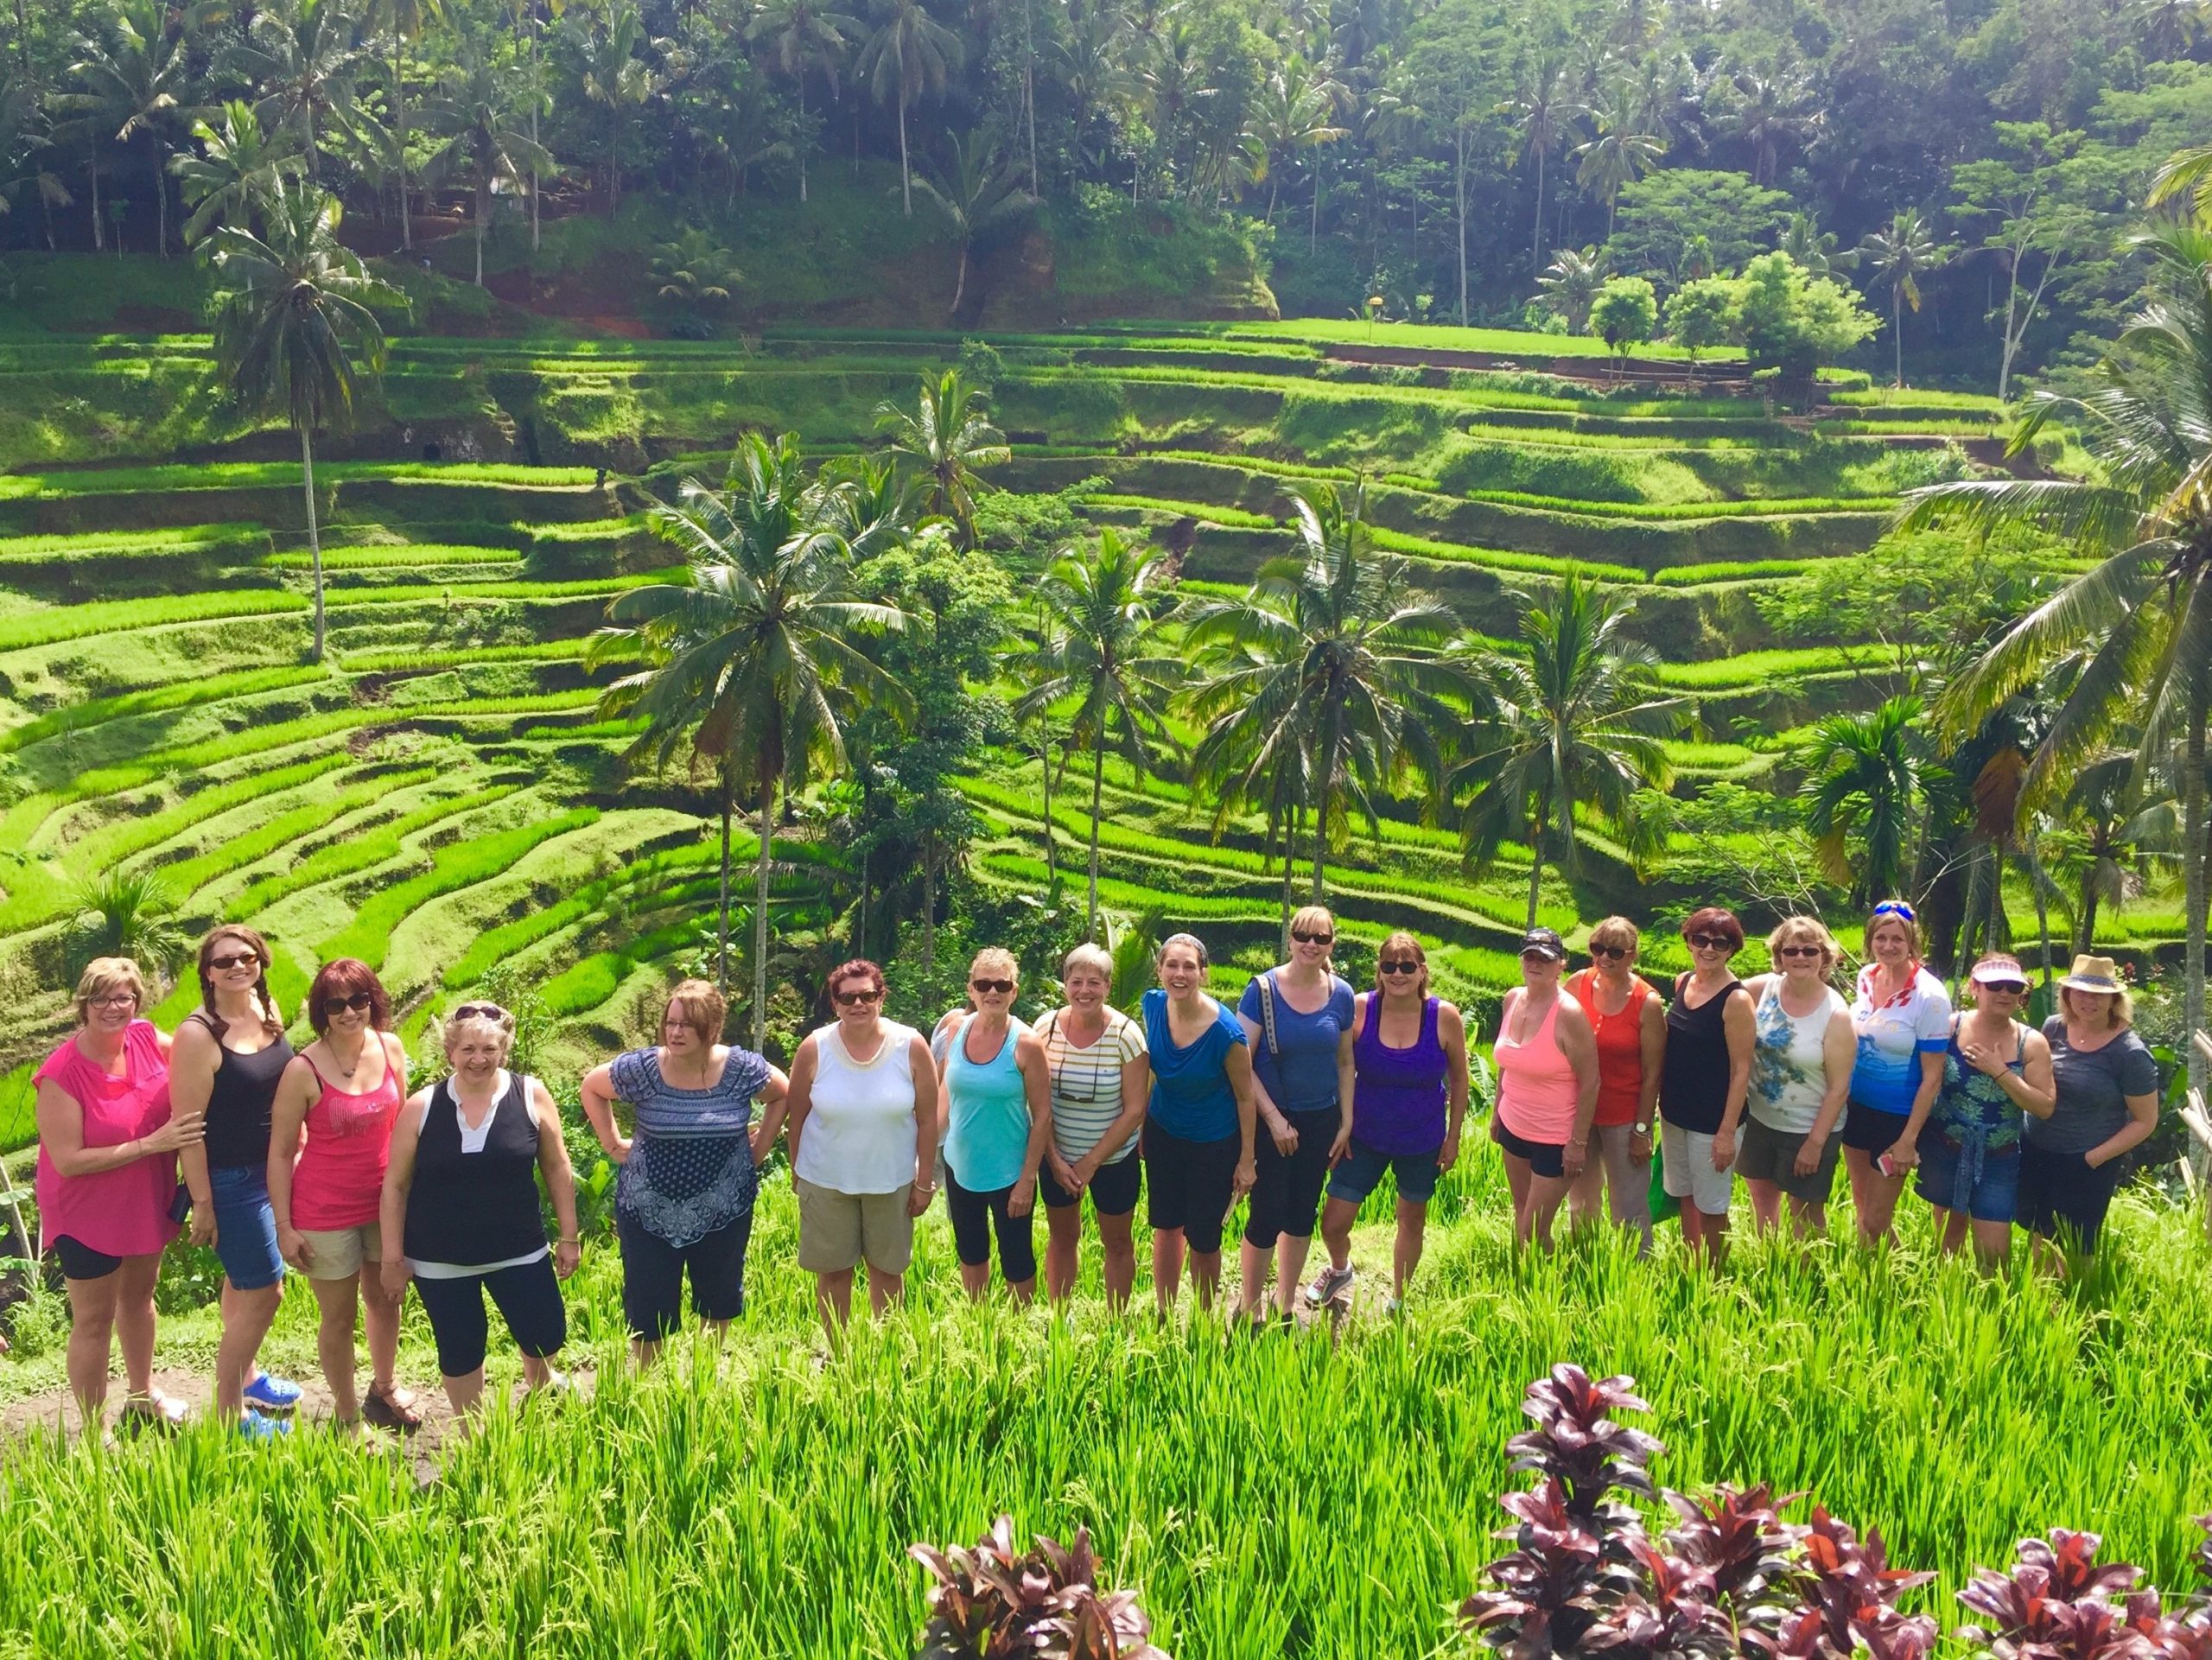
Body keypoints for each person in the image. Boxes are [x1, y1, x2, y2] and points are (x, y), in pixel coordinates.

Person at [382, 1003, 581, 1414]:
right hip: (440, 1258)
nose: (479, 1059)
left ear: (503, 1049)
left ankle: (542, 1386)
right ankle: (473, 1432)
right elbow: (395, 1186)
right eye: (468, 1049)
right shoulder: (422, 1106)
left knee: (544, 1329)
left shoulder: (530, 1094)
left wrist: (569, 1234)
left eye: (489, 1049)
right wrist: (391, 1257)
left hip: (520, 1247)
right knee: (460, 1347)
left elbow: (558, 1166)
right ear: (450, 1051)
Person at [579, 980, 786, 1363]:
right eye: (671, 1023)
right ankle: (647, 1384)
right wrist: (611, 1144)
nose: (676, 1032)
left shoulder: (740, 1069)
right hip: (648, 1210)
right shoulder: (644, 1068)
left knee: (718, 1295)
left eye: (688, 1025)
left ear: (713, 1028)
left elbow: (781, 1093)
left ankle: (703, 1382)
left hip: (723, 1206)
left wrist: (758, 1151)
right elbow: (592, 1086)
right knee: (648, 1302)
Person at [33, 958, 199, 1434]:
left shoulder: (147, 1038)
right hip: (85, 1212)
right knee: (93, 1318)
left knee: (140, 1298)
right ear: (83, 1005)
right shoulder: (63, 1073)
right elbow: (68, 1160)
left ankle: (143, 1396)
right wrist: (153, 1144)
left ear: (137, 1002)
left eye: (123, 997)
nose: (113, 1007)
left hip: (144, 1196)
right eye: (101, 998)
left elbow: (195, 1061)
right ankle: (93, 1428)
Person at [270, 958, 416, 1432]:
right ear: (322, 1012)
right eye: (336, 1004)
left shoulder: (390, 1046)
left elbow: (404, 1129)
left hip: (386, 1202)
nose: (350, 1012)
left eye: (359, 1000)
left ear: (373, 1001)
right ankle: (348, 1413)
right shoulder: (302, 1069)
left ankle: (385, 1387)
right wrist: (284, 1227)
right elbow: (280, 1153)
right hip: (324, 1210)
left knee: (385, 1298)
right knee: (338, 1317)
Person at [170, 925, 303, 1436]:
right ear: (208, 973)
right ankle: (229, 1413)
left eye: (247, 958)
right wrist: (202, 1202)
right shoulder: (198, 1035)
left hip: (274, 1170)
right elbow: (189, 1129)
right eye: (224, 962)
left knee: (241, 1281)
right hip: (230, 1180)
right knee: (265, 1292)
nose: (237, 967)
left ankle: (247, 1377)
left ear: (261, 962)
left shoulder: (266, 1012)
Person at [1309, 933, 1470, 1313]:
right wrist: (1342, 1123)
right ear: (1379, 970)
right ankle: (1339, 1268)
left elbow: (1460, 1079)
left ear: (1422, 971)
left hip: (1422, 1138)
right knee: (1333, 1222)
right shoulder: (1363, 1009)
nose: (1398, 973)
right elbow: (1342, 1067)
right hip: (1364, 1135)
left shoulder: (1444, 1016)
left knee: (1411, 1220)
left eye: (1407, 966)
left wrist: (1454, 1137)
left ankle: (1399, 1295)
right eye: (1389, 966)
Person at [783, 960, 939, 1331]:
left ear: (881, 998)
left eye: (867, 995)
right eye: (847, 997)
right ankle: (838, 1355)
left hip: (893, 1181)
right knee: (834, 1272)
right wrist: (796, 1172)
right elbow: (797, 1117)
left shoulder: (910, 1045)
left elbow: (928, 1119)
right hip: (826, 1181)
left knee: (888, 1271)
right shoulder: (815, 1048)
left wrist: (924, 1181)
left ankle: (885, 1350)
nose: (858, 1004)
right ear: (834, 1003)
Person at [1234, 906, 1357, 1326]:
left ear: (1331, 944)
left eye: (1321, 938)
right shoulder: (1262, 990)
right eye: (1303, 935)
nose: (1311, 944)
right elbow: (1240, 1063)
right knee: (1266, 1213)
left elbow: (1344, 1061)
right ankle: (1250, 1307)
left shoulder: (1340, 993)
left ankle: (1285, 1304)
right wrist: (1273, 1119)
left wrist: (1346, 1121)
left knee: (1302, 1211)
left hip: (1320, 1118)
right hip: (1274, 1120)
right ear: (1290, 940)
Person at [1141, 933, 1259, 1317]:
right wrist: (1142, 1124)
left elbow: (1245, 1097)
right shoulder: (1153, 1006)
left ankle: (1205, 1317)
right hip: (1163, 1132)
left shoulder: (1226, 1033)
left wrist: (1246, 1160)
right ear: (1159, 971)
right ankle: (1164, 1311)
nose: (1179, 973)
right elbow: (1149, 1075)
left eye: (1189, 966)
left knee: (1205, 1238)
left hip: (1213, 1143)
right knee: (1166, 1226)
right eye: (1171, 965)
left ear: (1203, 974)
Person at [2018, 955, 2159, 1269]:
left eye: (2099, 994)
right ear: (2068, 995)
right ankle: (2042, 1305)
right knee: (2039, 1232)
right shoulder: (2054, 1027)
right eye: (2080, 992)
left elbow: (2145, 1121)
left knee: (2078, 1244)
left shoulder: (2130, 1053)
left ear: (2114, 1000)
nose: (2088, 1000)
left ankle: (2079, 1305)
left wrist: (2094, 1157)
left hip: (2087, 1160)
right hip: (2038, 1149)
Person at [1916, 954, 2055, 1270]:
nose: (2004, 993)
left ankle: (1993, 1313)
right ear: (1974, 988)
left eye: (2012, 987)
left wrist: (2000, 1072)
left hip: (1998, 1157)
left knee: (1993, 1258)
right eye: (1994, 986)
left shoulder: (2031, 1043)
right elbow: (1928, 1080)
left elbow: (2044, 1107)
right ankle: (1946, 1308)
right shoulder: (1951, 1026)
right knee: (1947, 1245)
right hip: (1946, 1148)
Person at [1034, 944, 1149, 1306]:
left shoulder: (1127, 1036)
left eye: (1094, 982)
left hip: (1113, 1159)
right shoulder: (1045, 1028)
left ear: (1108, 987)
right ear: (1065, 983)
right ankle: (1059, 1318)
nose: (1085, 990)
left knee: (1117, 1242)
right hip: (1058, 1159)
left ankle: (1116, 1320)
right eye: (1077, 981)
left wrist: (1091, 1161)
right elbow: (1035, 1102)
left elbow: (1134, 1110)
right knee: (1062, 1238)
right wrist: (1055, 1160)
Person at [937, 949, 1052, 1304]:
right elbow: (944, 1095)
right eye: (984, 984)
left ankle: (1021, 1331)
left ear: (1014, 991)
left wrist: (1027, 1180)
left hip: (1008, 1172)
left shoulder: (1027, 1044)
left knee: (1016, 1258)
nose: (992, 993)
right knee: (970, 1251)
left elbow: (1043, 1114)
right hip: (961, 1166)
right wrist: (924, 1158)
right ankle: (978, 1324)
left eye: (1001, 985)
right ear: (970, 989)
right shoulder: (956, 1029)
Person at [1734, 916, 1853, 1239]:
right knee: (1762, 1199)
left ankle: (1807, 1280)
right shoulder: (1763, 989)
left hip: (1808, 1128)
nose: (1801, 957)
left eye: (1810, 951)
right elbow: (1719, 991)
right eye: (1792, 950)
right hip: (1760, 1119)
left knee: (1805, 1210)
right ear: (1779, 956)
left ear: (1824, 956)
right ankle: (1769, 1265)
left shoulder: (1836, 1013)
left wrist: (1814, 1144)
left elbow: (1839, 1088)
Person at [1841, 900, 1950, 1247]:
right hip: (1857, 1110)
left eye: (1897, 940)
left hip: (1898, 1119)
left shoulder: (1929, 996)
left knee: (1876, 1219)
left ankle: (1897, 1284)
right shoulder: (1866, 978)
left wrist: (1908, 1139)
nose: (1888, 946)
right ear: (1870, 940)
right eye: (1881, 938)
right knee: (1864, 1209)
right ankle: (1874, 1285)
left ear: (1912, 943)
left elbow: (1933, 1076)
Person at [1491, 928, 1600, 1250]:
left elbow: (1591, 1081)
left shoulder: (1569, 1014)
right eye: (1530, 956)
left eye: (1545, 958)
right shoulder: (1512, 998)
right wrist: (1498, 1112)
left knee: (1534, 1231)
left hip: (1555, 1137)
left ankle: (1547, 1289)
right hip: (1514, 1124)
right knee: (1521, 1210)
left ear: (1561, 965)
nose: (1535, 964)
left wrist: (1577, 1143)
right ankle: (1525, 1279)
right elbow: (1506, 1062)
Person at [1657, 907, 1755, 1265]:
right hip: (1675, 1113)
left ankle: (1715, 1272)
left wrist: (1727, 1132)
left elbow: (1742, 1069)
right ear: (1688, 942)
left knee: (1712, 1204)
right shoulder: (1684, 982)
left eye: (1720, 942)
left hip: (1713, 1121)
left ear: (1732, 949)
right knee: (1684, 1193)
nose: (1708, 949)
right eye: (1700, 940)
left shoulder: (1736, 1000)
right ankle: (1690, 1261)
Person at [1564, 917, 1662, 1252]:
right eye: (1598, 949)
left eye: (1615, 952)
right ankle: (1584, 1262)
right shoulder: (1578, 983)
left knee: (1630, 1207)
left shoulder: (1647, 1002)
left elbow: (1652, 1074)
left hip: (1623, 1117)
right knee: (1580, 1201)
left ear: (1633, 955)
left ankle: (1636, 1273)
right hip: (1580, 1114)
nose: (1605, 958)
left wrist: (1642, 1129)